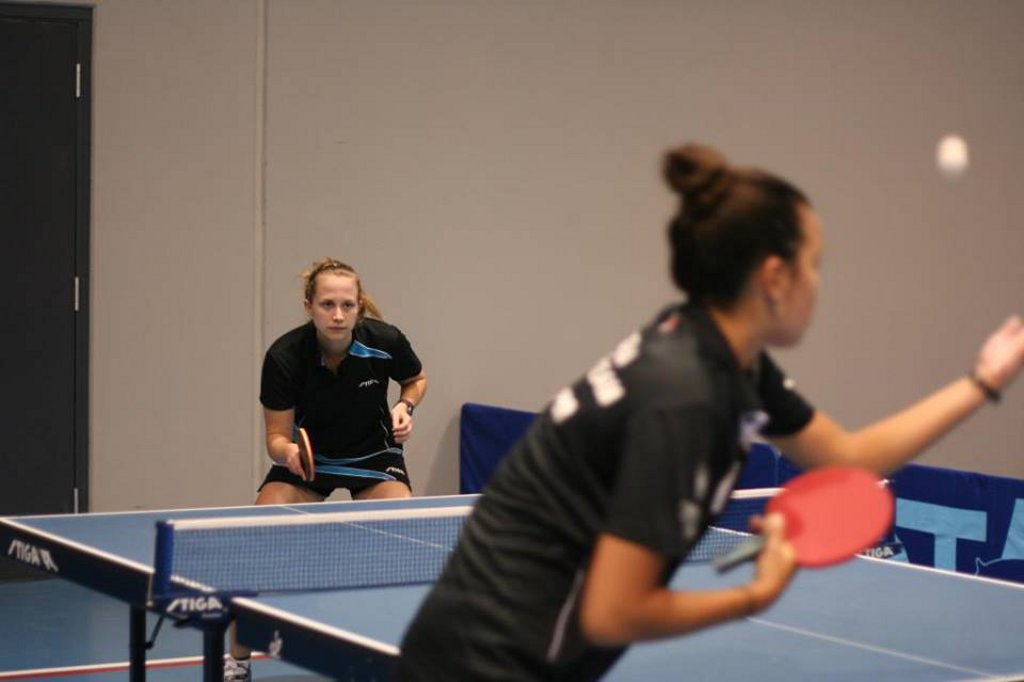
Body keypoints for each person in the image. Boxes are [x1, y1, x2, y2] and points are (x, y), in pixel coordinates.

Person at [395, 144, 1024, 681]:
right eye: (816, 264)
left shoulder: (710, 350)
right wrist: (757, 592)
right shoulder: (689, 397)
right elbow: (613, 613)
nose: (819, 283)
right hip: (488, 665)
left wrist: (983, 381)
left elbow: (849, 458)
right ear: (774, 277)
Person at [225, 258, 427, 681]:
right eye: (327, 304)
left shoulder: (385, 341)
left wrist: (405, 407)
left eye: (347, 305)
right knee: (257, 541)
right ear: (309, 306)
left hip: (374, 459)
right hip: (309, 461)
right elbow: (275, 436)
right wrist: (288, 454)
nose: (338, 315)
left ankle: (406, 659)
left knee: (406, 540)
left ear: (359, 307)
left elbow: (416, 378)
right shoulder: (284, 356)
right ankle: (237, 660)